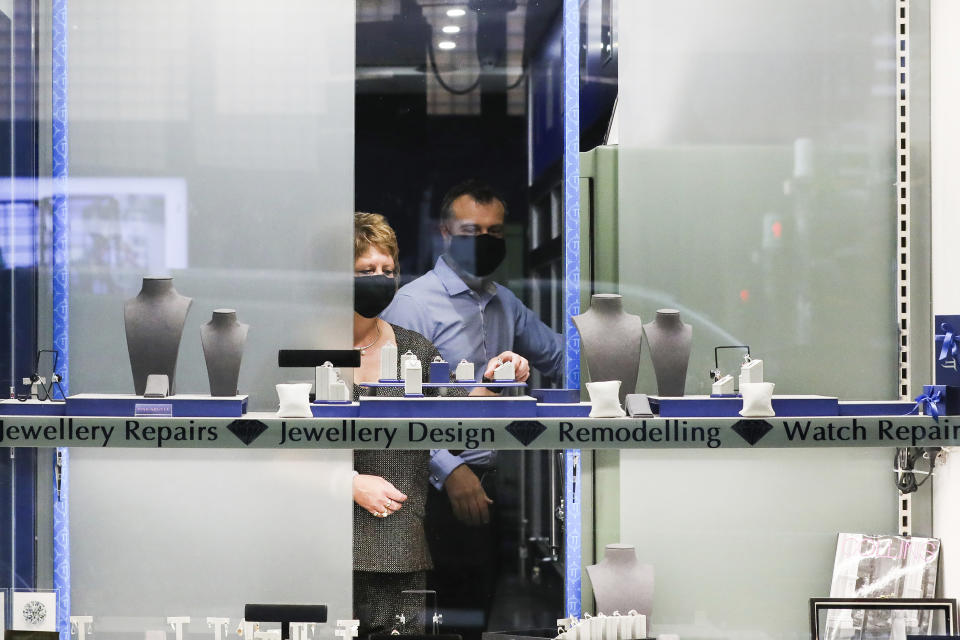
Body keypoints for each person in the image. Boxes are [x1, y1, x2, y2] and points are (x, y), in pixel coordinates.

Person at [381, 180, 564, 639]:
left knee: (475, 617)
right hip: (428, 491)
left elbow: (560, 358)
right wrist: (449, 470)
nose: (484, 241)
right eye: (471, 230)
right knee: (436, 619)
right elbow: (393, 404)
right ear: (445, 233)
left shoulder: (504, 302)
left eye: (495, 231)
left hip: (490, 483)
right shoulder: (413, 304)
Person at [350, 212, 507, 636]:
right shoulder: (307, 345)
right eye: (367, 271)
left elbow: (457, 405)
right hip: (318, 536)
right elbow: (280, 443)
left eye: (388, 270)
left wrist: (494, 377)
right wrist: (347, 482)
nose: (380, 280)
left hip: (396, 543)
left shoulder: (413, 348)